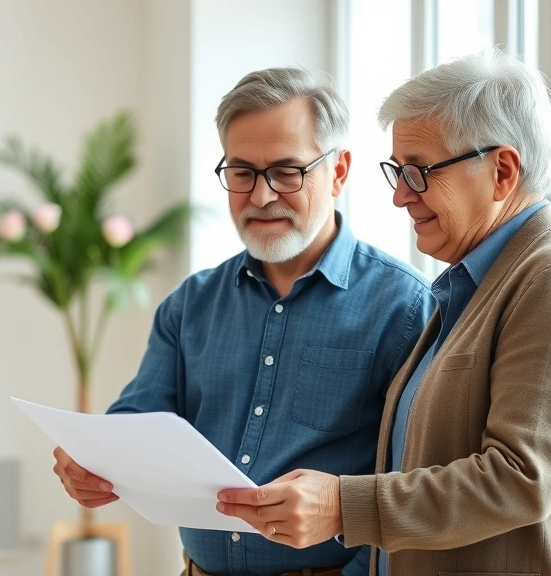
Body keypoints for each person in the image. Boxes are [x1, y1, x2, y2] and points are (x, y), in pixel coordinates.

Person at [216, 48, 551, 576]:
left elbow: (519, 477)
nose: (401, 196)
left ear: (503, 171)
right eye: (397, 172)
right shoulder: (473, 284)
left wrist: (342, 506)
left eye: (419, 172)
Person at [52, 67, 435, 576]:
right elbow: (140, 421)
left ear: (339, 171)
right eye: (242, 173)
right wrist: (93, 462)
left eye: (286, 171)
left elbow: (415, 482)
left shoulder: (404, 307)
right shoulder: (190, 303)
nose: (260, 196)